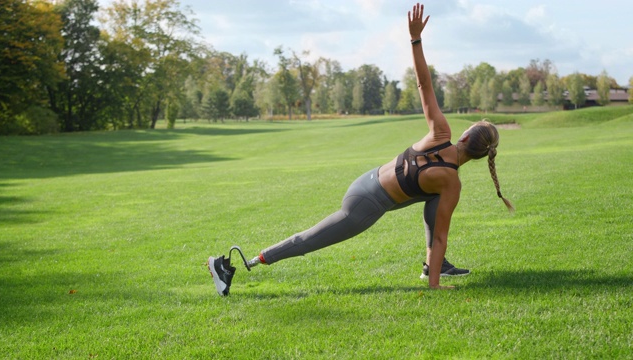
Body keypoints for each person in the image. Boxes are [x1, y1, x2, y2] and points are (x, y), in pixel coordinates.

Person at [207, 3, 514, 296]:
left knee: (432, 198)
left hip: (366, 181)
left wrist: (416, 39)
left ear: (464, 136)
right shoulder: (451, 184)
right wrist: (434, 288)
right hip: (365, 205)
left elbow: (424, 85)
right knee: (310, 239)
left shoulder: (440, 135)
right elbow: (441, 236)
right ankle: (232, 266)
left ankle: (434, 266)